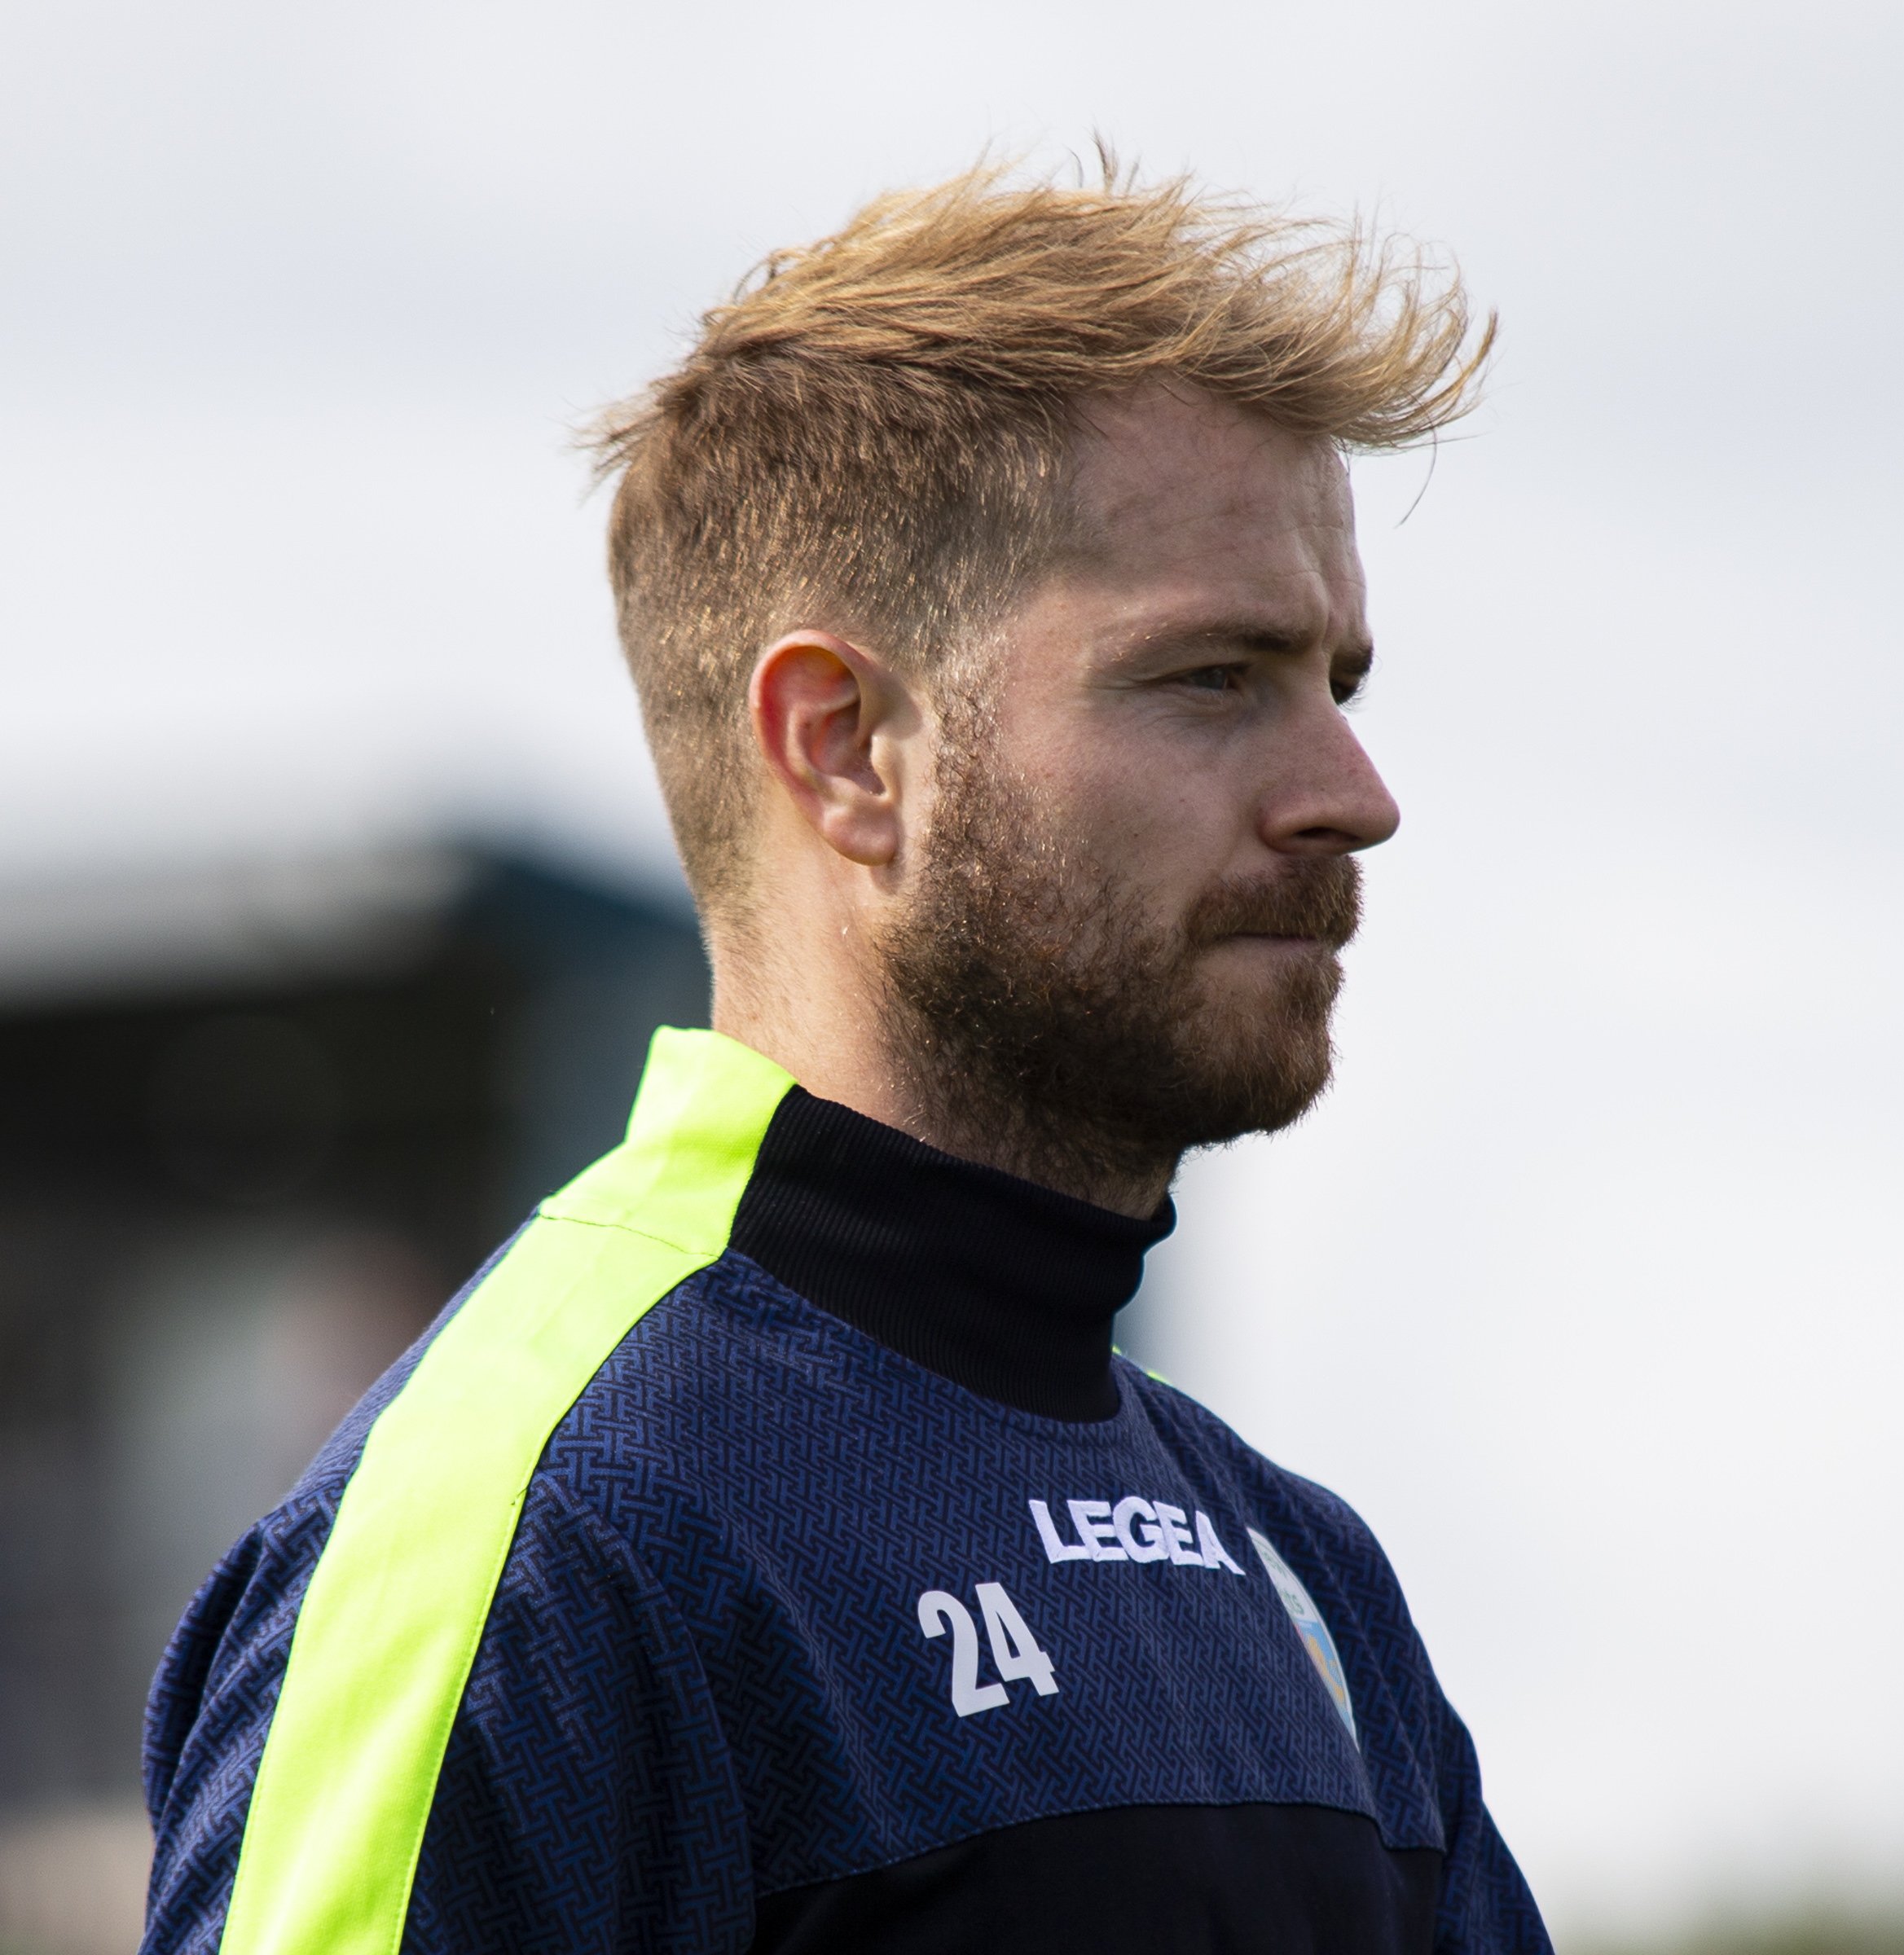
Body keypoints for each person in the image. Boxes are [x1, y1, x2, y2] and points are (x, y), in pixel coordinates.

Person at [140, 156, 1546, 1955]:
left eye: (1334, 685)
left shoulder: (1299, 1573)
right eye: (1215, 678)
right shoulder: (549, 1536)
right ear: (847, 749)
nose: (1352, 797)